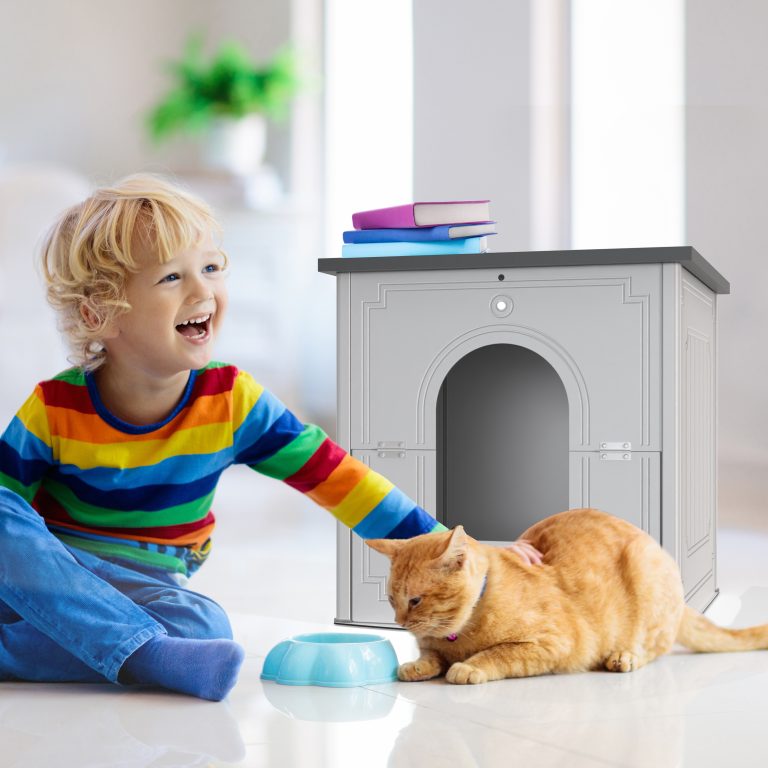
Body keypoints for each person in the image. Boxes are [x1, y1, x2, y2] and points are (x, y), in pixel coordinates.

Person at [0, 174, 541, 701]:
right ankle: (142, 654)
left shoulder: (233, 402)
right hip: (55, 576)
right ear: (101, 312)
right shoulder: (54, 406)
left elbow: (339, 479)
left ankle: (111, 647)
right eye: (172, 277)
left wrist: (455, 547)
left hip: (151, 590)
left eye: (211, 267)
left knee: (204, 627)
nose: (203, 290)